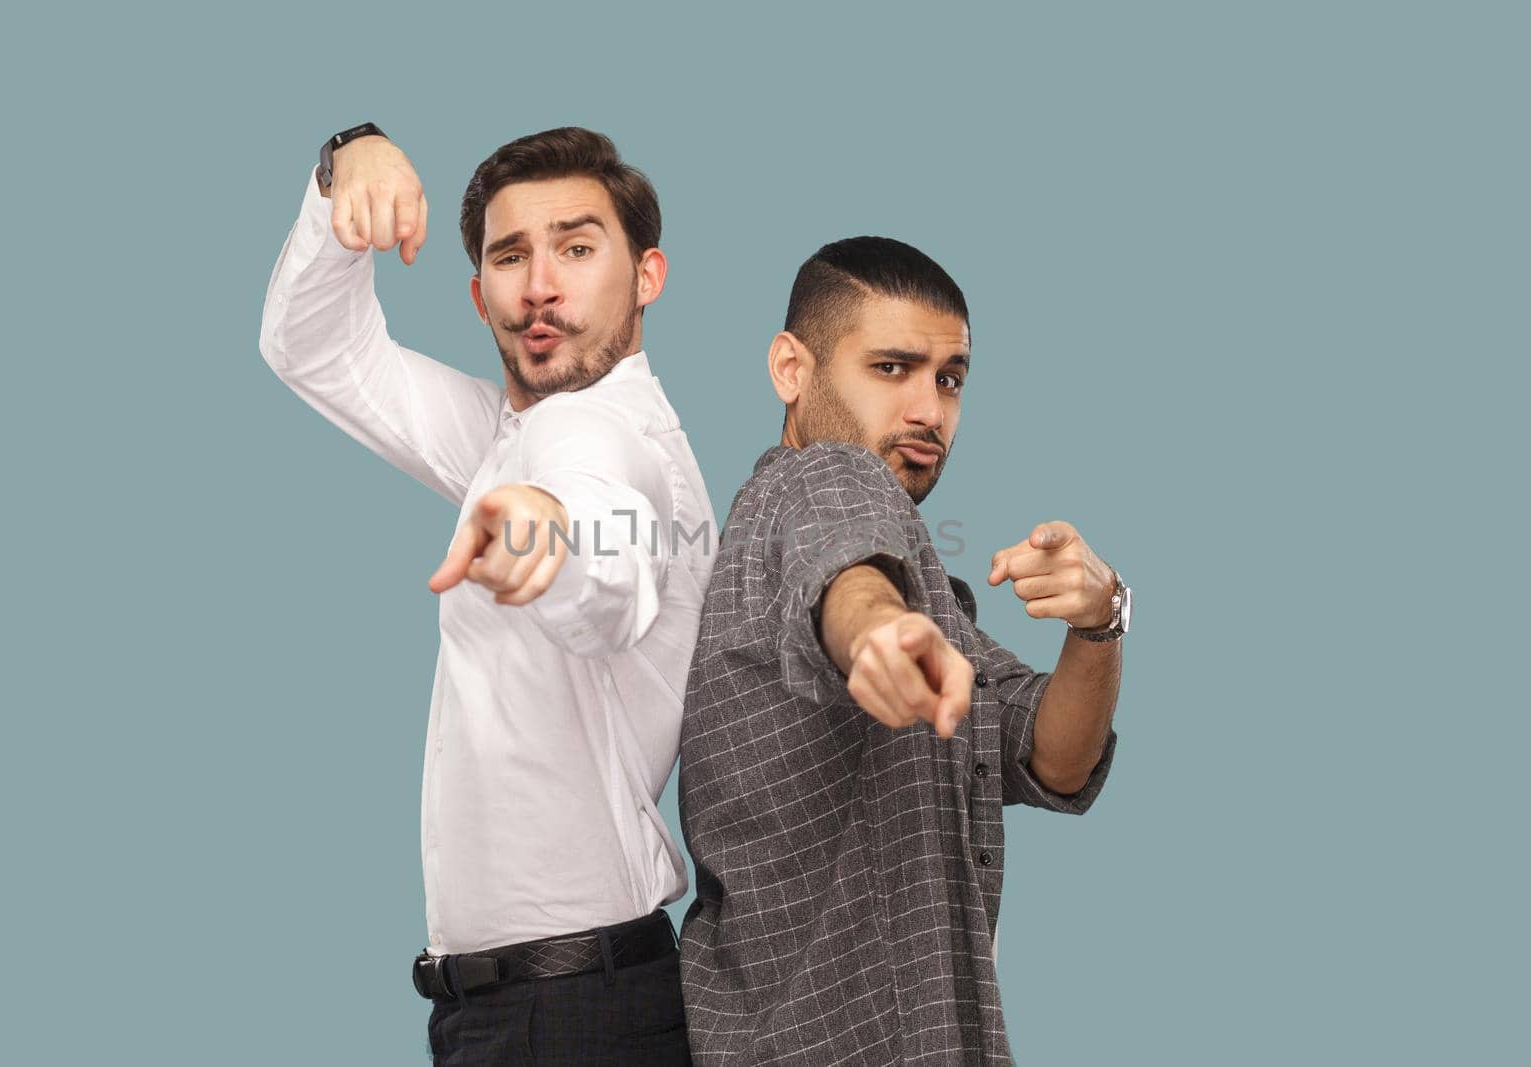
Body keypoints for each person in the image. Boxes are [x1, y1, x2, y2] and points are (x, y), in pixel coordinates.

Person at [259, 124, 715, 1065]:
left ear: (648, 275)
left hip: (577, 1015)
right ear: (479, 294)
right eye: (512, 256)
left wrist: (552, 546)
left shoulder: (607, 435)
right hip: (522, 1012)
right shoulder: (507, 434)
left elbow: (613, 572)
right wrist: (345, 164)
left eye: (578, 248)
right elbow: (314, 349)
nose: (540, 284)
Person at [677, 237, 1128, 1065]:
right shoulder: (817, 482)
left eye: (949, 378)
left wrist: (1100, 622)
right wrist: (876, 628)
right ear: (791, 369)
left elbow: (1055, 758)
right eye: (892, 368)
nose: (929, 408)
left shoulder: (922, 594)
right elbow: (845, 569)